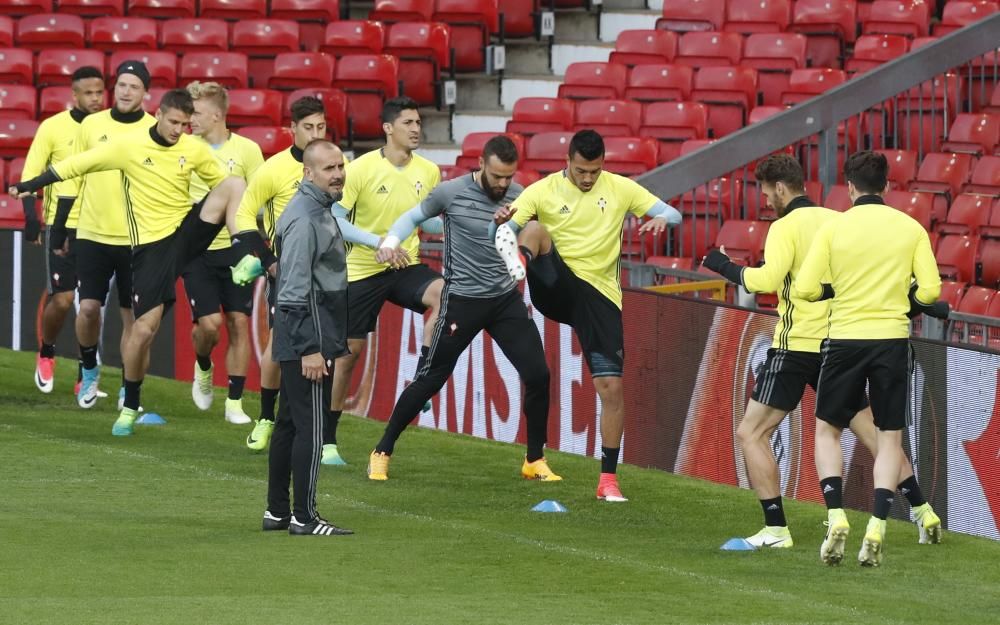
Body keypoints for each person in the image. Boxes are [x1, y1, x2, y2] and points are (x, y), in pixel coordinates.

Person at [702, 154, 943, 551]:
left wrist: (723, 265)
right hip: (836, 343)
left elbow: (767, 279)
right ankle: (922, 510)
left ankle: (776, 529)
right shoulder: (836, 220)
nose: (765, 201)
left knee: (752, 432)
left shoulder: (786, 227)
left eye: (766, 193)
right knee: (877, 436)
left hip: (796, 346)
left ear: (781, 188)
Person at [12, 89, 247, 437]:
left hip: (184, 234)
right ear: (158, 114)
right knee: (141, 332)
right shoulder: (129, 147)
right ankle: (131, 404)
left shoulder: (192, 149)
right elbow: (77, 165)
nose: (178, 130)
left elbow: (222, 189)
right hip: (150, 251)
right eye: (173, 122)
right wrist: (31, 185)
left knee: (235, 183)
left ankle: (244, 254)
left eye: (184, 124)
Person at [492, 129, 681, 502]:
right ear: (568, 161)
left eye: (594, 171)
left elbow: (671, 211)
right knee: (534, 228)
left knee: (611, 387)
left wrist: (663, 219)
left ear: (602, 165)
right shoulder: (543, 190)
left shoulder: (620, 188)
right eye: (581, 171)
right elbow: (504, 228)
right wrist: (503, 225)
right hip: (556, 284)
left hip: (600, 297)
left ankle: (608, 481)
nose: (587, 178)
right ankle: (519, 264)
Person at [365, 136, 556, 481]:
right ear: (481, 164)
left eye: (508, 177)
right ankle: (382, 449)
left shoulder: (521, 196)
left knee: (539, 374)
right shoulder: (450, 192)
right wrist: (391, 242)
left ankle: (534, 459)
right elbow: (412, 218)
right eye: (496, 176)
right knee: (430, 379)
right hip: (462, 301)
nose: (502, 184)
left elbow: (536, 234)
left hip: (504, 299)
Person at [794, 151, 942, 567]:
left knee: (828, 430)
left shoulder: (835, 228)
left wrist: (833, 293)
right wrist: (903, 298)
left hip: (844, 339)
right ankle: (877, 525)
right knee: (889, 437)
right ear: (887, 186)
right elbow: (929, 293)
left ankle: (836, 515)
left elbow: (805, 289)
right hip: (891, 341)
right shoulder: (910, 228)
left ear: (850, 187)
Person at [326, 96, 444, 466]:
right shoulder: (359, 169)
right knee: (348, 355)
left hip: (404, 264)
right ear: (388, 128)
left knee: (446, 294)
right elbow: (335, 218)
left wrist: (455, 226)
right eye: (408, 122)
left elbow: (425, 221)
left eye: (418, 122)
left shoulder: (428, 171)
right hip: (363, 267)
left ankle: (423, 375)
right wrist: (378, 242)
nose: (415, 129)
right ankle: (327, 439)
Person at [263, 139, 353, 537]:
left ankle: (278, 512)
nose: (337, 174)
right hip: (308, 335)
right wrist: (310, 349)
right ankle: (305, 515)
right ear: (307, 172)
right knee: (311, 427)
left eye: (340, 166)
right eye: (328, 168)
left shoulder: (314, 210)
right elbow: (294, 289)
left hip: (304, 331)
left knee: (287, 423)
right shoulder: (304, 218)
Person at [229, 96, 328, 452]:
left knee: (330, 348)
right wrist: (269, 260)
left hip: (328, 272)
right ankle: (267, 417)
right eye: (308, 127)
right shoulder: (273, 169)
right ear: (293, 130)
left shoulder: (334, 164)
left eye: (321, 126)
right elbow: (243, 215)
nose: (315, 133)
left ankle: (323, 436)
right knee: (278, 345)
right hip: (286, 272)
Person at [64, 61, 155, 409]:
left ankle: (128, 390)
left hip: (138, 239)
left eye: (133, 86)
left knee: (134, 321)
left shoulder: (154, 129)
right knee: (87, 309)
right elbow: (75, 175)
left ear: (146, 92)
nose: (125, 91)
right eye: (121, 84)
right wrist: (63, 228)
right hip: (92, 233)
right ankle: (89, 368)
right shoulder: (91, 124)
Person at [182, 81, 264, 424]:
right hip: (197, 251)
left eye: (196, 113)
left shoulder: (247, 150)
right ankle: (203, 366)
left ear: (217, 115)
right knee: (210, 325)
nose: (190, 120)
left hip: (234, 252)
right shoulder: (183, 147)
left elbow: (259, 199)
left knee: (239, 322)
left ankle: (234, 402)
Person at [20, 65, 105, 394]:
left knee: (92, 304)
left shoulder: (108, 127)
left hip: (100, 226)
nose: (96, 98)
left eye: (100, 92)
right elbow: (31, 173)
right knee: (62, 299)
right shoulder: (52, 127)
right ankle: (47, 352)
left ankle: (87, 373)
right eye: (89, 93)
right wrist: (31, 217)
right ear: (75, 95)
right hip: (62, 223)